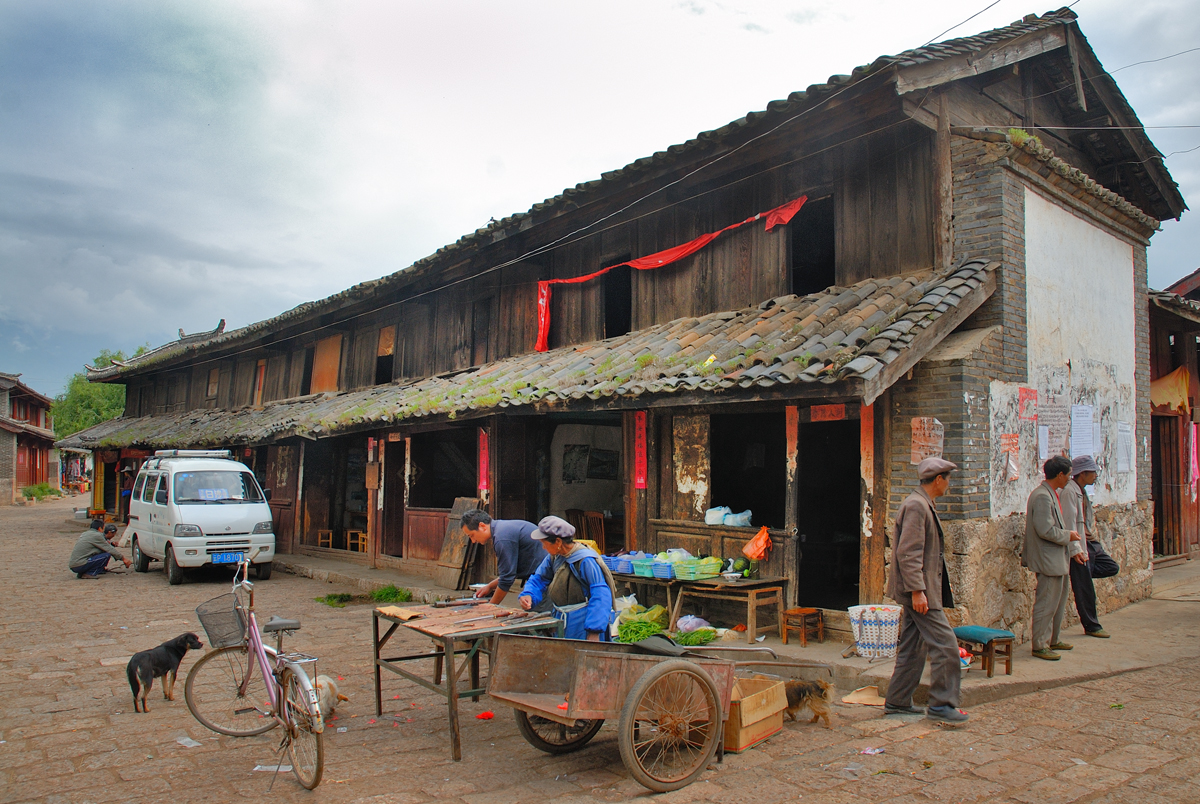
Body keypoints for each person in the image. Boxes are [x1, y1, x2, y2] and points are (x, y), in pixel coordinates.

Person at [884, 457, 967, 724]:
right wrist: (918, 591)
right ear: (939, 480)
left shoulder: (921, 503)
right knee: (946, 645)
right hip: (919, 592)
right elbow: (908, 553)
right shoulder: (917, 506)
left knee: (912, 646)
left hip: (919, 590)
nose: (949, 485)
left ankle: (897, 700)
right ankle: (943, 704)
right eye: (948, 480)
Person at [518, 515, 616, 641]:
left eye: (544, 543)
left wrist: (594, 631)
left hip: (582, 624)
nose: (543, 547)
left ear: (558, 542)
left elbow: (601, 594)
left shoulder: (585, 560)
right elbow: (539, 578)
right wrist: (529, 594)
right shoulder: (554, 557)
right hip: (561, 619)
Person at [1023, 455, 1082, 660]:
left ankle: (1053, 638)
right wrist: (1069, 536)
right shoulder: (1042, 496)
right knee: (1046, 602)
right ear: (1059, 475)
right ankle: (1040, 644)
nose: (1069, 479)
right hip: (1048, 558)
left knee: (1058, 600)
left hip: (1057, 558)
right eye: (1068, 475)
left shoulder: (1051, 494)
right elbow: (1045, 529)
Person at [1061, 456, 1119, 639]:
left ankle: (1080, 575)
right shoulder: (1070, 492)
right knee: (1085, 588)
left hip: (1089, 542)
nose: (1095, 476)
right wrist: (1075, 548)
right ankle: (1092, 625)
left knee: (1111, 566)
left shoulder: (1081, 491)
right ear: (1083, 473)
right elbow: (1069, 522)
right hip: (1079, 543)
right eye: (1092, 472)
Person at [461, 510, 544, 606]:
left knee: (542, 617)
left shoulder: (502, 538)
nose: (473, 541)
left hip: (544, 579)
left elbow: (507, 579)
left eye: (471, 535)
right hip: (538, 578)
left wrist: (491, 606)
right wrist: (489, 586)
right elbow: (509, 572)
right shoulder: (501, 529)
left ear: (482, 526)